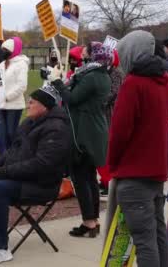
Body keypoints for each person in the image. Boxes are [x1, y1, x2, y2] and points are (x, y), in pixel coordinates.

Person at [0, 85, 70, 266]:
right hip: (21, 177)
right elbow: (12, 152)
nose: (28, 105)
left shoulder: (56, 129)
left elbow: (41, 166)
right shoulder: (29, 123)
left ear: (45, 106)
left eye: (32, 102)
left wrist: (3, 172)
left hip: (43, 185)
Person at [107, 30, 168, 267]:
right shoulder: (165, 81)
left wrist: (112, 164)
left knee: (144, 241)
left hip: (134, 175)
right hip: (156, 171)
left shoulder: (133, 84)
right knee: (157, 235)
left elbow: (119, 132)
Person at [51, 41, 110, 238]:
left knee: (81, 178)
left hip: (84, 133)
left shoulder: (92, 77)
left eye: (86, 49)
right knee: (90, 177)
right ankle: (92, 220)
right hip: (91, 129)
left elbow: (72, 98)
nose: (82, 51)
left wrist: (58, 82)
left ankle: (89, 221)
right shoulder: (97, 74)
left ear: (93, 55)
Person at [97, 48, 124, 196]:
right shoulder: (106, 72)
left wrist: (99, 100)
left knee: (108, 146)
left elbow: (114, 92)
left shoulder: (116, 73)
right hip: (104, 112)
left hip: (111, 112)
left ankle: (109, 181)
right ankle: (105, 179)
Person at [0, 37, 29, 150]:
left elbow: (22, 86)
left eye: (6, 49)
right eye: (2, 49)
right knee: (3, 135)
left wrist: (7, 97)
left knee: (12, 133)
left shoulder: (21, 64)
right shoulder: (3, 63)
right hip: (2, 104)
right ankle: (6, 159)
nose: (3, 52)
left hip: (14, 105)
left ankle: (17, 155)